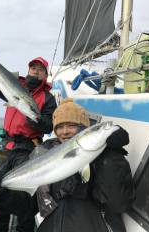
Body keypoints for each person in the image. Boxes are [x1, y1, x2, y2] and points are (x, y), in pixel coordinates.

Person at [0, 48, 57, 232]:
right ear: (28, 70)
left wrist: (34, 118)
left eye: (40, 69)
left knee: (23, 192)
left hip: (28, 148)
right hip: (7, 145)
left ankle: (25, 229)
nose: (35, 71)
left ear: (45, 75)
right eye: (33, 68)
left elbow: (48, 126)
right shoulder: (14, 85)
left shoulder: (48, 98)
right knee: (0, 189)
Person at [33, 98, 135, 232]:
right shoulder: (47, 152)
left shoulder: (103, 154)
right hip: (54, 222)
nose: (64, 132)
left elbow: (117, 203)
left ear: (85, 128)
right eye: (59, 127)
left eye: (71, 125)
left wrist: (110, 156)